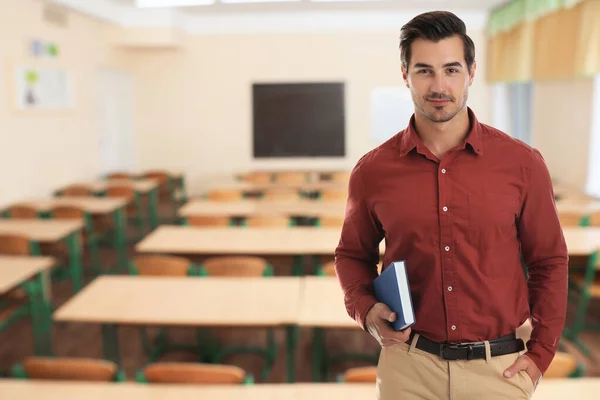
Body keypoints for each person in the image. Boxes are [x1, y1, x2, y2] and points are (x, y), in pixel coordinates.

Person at [334, 10, 568, 400]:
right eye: (424, 70)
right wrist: (366, 310)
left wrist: (542, 352)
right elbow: (350, 255)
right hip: (408, 367)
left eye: (452, 69)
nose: (439, 85)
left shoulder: (522, 164)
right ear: (405, 74)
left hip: (500, 370)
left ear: (471, 72)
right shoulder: (372, 171)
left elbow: (549, 261)